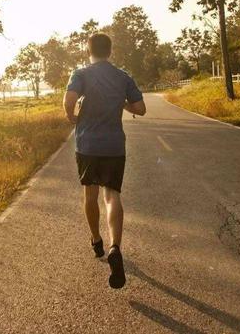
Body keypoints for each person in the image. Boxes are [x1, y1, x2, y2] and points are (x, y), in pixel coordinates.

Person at [63, 33, 146, 289]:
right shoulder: (122, 76)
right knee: (112, 196)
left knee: (90, 195)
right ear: (110, 51)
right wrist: (121, 104)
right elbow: (141, 108)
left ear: (89, 50)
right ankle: (115, 247)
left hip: (87, 145)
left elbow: (68, 101)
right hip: (113, 146)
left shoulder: (81, 73)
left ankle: (96, 240)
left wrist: (72, 117)